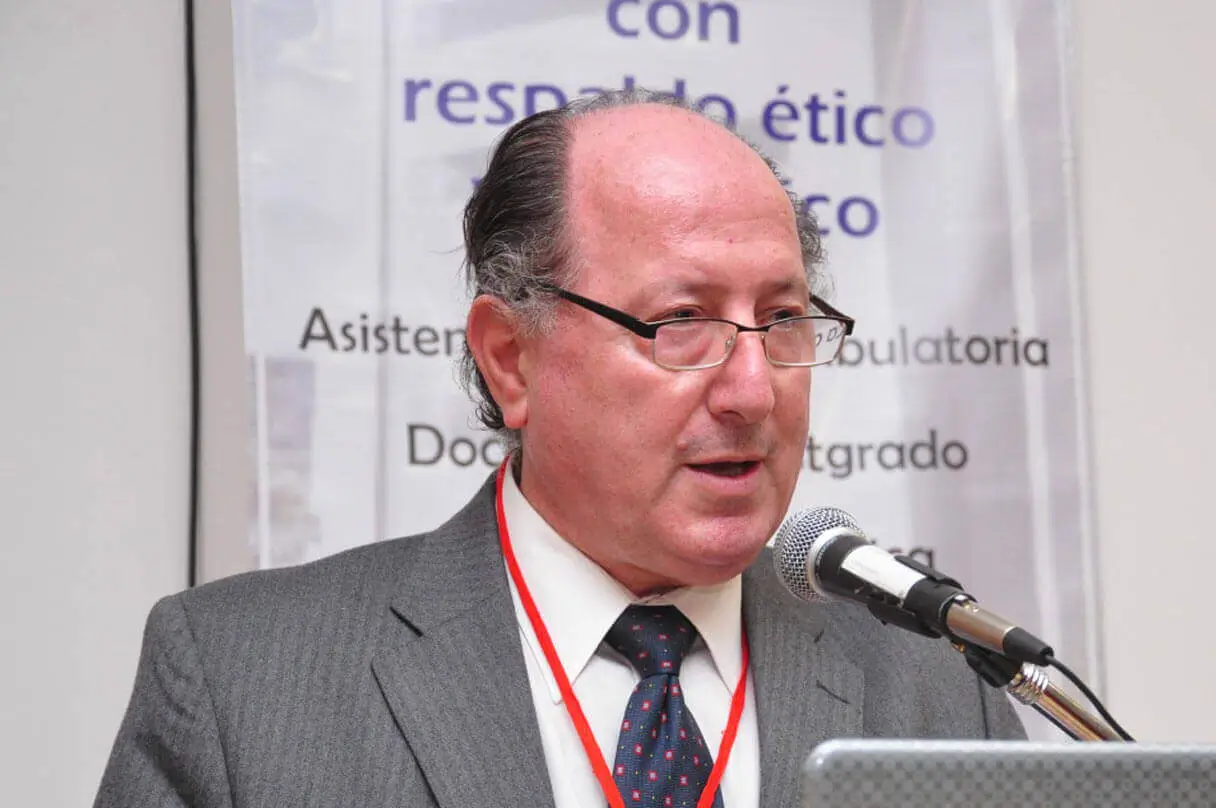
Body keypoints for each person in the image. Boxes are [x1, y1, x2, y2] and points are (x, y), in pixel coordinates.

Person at [95, 88, 1024, 808]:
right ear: (511, 358)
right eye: (681, 321)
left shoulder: (936, 690)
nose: (752, 391)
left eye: (780, 319)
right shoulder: (243, 681)